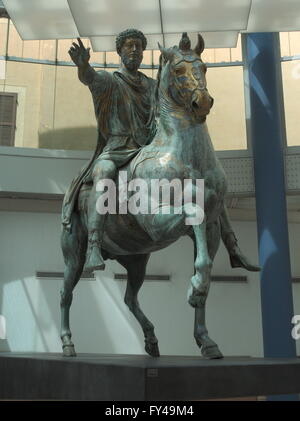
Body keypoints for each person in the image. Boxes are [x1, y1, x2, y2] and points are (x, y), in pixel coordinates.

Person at [62, 28, 259, 273]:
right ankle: (93, 244)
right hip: (119, 149)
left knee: (206, 185)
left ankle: (232, 243)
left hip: (151, 149)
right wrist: (83, 66)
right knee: (103, 173)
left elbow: (173, 101)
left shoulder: (152, 85)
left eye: (139, 47)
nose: (134, 50)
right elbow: (90, 78)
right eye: (129, 46)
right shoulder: (111, 81)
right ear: (120, 51)